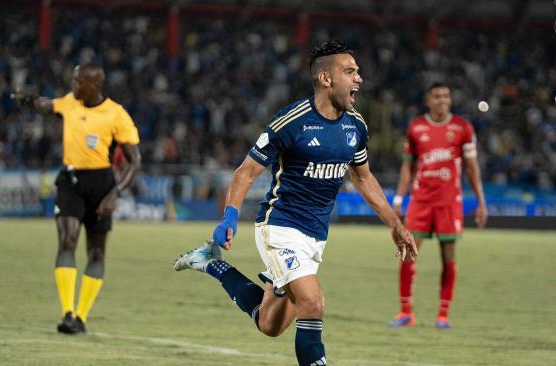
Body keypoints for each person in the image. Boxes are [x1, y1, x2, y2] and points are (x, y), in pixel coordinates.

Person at [173, 41, 417, 366]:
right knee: (313, 303)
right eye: (350, 71)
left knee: (269, 324)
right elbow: (245, 173)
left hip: (316, 236)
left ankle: (209, 263)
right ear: (326, 79)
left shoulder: (356, 126)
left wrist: (395, 225)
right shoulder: (291, 121)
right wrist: (229, 217)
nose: (359, 79)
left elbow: (363, 178)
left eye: (357, 72)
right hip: (280, 227)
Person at [12, 64, 141, 334]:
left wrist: (115, 193)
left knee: (96, 252)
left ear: (93, 85)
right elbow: (48, 106)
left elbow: (135, 161)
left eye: (77, 81)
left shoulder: (116, 114)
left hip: (102, 185)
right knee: (67, 241)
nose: (72, 85)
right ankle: (67, 313)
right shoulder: (70, 102)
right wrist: (28, 101)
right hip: (71, 182)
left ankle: (81, 316)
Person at [388, 83, 487, 329]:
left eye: (446, 95)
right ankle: (406, 312)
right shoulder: (416, 128)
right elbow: (407, 167)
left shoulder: (463, 128)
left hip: (448, 202)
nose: (443, 100)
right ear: (428, 100)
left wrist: (481, 202)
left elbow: (472, 168)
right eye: (437, 96)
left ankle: (443, 315)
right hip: (420, 202)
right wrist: (399, 199)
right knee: (407, 254)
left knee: (448, 259)